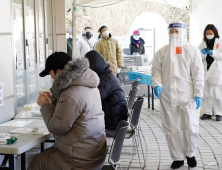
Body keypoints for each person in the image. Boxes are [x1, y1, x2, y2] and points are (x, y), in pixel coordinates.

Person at [28, 52, 107, 170]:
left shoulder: (71, 93)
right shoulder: (88, 85)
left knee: (35, 161)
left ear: (59, 72)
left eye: (51, 74)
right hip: (92, 153)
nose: (52, 79)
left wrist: (45, 104)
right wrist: (54, 96)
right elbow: (70, 111)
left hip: (78, 160)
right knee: (41, 156)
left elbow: (56, 127)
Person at [152, 21, 204, 169]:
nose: (174, 34)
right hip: (168, 95)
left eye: (177, 31)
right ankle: (178, 157)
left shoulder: (192, 51)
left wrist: (198, 93)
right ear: (168, 33)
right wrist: (157, 84)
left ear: (183, 33)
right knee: (171, 127)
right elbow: (156, 71)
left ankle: (190, 154)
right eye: (172, 31)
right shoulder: (161, 52)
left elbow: (198, 74)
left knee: (191, 126)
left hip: (188, 95)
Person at [85, 50, 128, 137]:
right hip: (116, 122)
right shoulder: (108, 75)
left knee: (80, 128)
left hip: (112, 127)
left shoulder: (105, 81)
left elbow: (93, 100)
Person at [199, 24, 222, 121]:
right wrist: (203, 53)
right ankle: (207, 112)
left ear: (215, 33)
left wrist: (212, 52)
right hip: (205, 71)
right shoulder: (202, 43)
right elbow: (199, 57)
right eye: (207, 33)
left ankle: (219, 113)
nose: (208, 35)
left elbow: (221, 56)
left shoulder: (219, 43)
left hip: (216, 72)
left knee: (218, 94)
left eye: (210, 33)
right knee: (205, 94)